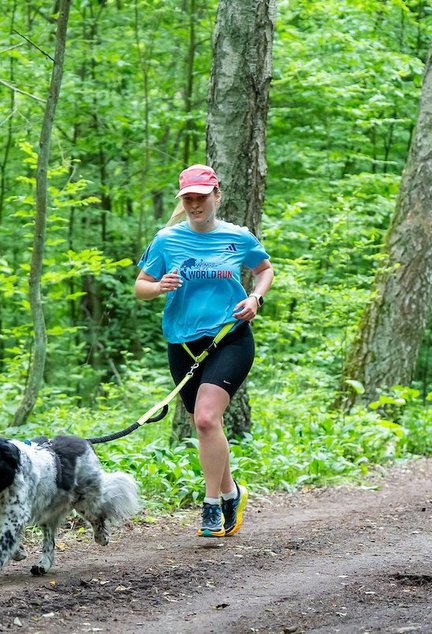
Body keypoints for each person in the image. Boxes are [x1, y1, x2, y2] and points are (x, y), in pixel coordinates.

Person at [134, 164, 274, 537]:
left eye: (201, 197)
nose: (195, 204)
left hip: (230, 337)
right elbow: (140, 287)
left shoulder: (238, 237)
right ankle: (231, 492)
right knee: (206, 425)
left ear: (217, 196)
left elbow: (265, 269)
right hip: (182, 343)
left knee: (207, 419)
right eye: (189, 198)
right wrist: (159, 286)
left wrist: (256, 299)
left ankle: (211, 505)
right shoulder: (166, 240)